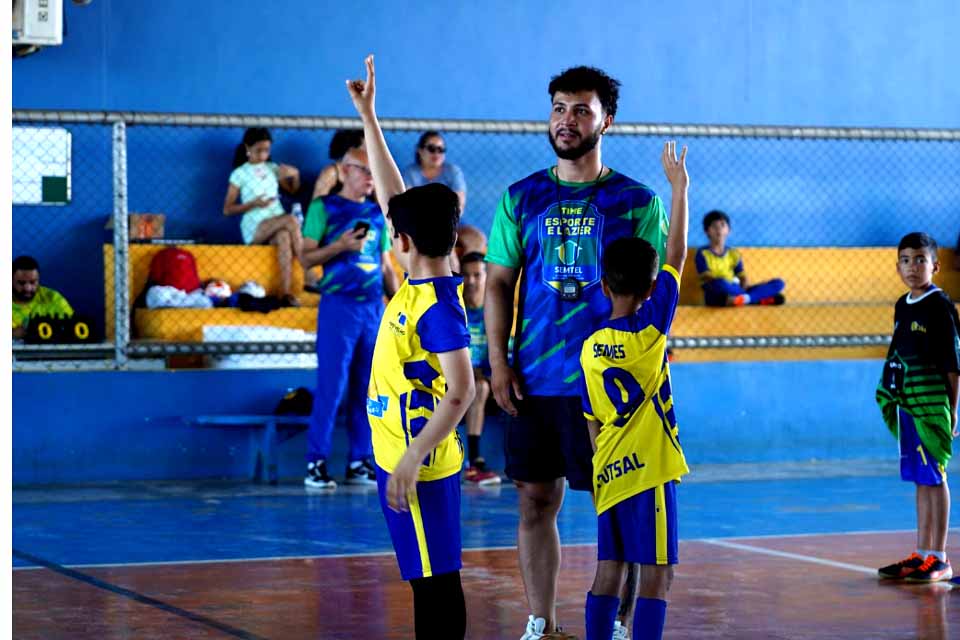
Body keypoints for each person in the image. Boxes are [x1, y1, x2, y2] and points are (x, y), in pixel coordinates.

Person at [484, 65, 670, 639]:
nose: (567, 120)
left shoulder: (637, 202)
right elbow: (496, 284)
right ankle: (541, 623)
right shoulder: (520, 199)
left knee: (621, 510)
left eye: (581, 110)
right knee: (535, 500)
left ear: (606, 120)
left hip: (607, 388)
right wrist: (497, 361)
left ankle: (618, 623)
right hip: (535, 380)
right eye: (560, 108)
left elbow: (657, 294)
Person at [349, 54, 475, 639]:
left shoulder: (438, 309)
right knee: (428, 579)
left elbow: (462, 391)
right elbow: (395, 197)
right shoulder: (419, 279)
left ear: (399, 241)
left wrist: (413, 456)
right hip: (399, 454)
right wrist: (370, 117)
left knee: (437, 585)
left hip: (416, 462)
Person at [579, 142, 690, 640]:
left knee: (611, 569)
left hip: (609, 468)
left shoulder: (589, 347)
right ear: (650, 292)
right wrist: (679, 187)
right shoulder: (651, 335)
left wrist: (603, 463)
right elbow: (677, 255)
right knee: (657, 575)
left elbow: (591, 419)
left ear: (603, 286)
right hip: (649, 471)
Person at [299, 145, 400, 490]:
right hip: (338, 305)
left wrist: (401, 302)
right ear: (344, 171)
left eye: (375, 172)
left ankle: (360, 458)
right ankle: (316, 461)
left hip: (373, 307)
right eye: (364, 170)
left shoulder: (376, 214)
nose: (371, 178)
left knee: (366, 387)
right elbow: (304, 258)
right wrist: (339, 246)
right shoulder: (323, 208)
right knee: (332, 385)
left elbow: (386, 265)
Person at [875, 232, 959, 584]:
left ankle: (940, 557)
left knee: (935, 477)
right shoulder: (900, 304)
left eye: (920, 260)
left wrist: (954, 411)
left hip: (932, 405)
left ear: (935, 266)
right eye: (906, 260)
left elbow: (954, 366)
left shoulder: (941, 306)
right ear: (898, 267)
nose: (912, 267)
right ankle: (922, 553)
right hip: (908, 405)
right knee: (920, 480)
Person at [222, 127, 303, 306]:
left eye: (267, 150)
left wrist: (294, 176)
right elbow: (227, 209)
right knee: (291, 220)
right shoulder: (239, 173)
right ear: (247, 148)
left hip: (276, 220)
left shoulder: (273, 168)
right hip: (255, 226)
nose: (263, 154)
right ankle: (309, 270)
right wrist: (254, 204)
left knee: (284, 237)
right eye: (259, 150)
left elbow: (292, 191)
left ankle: (285, 293)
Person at [460, 251, 501, 486]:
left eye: (477, 275)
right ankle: (474, 462)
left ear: (487, 276)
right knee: (478, 387)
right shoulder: (455, 309)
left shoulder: (496, 310)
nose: (472, 281)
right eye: (466, 276)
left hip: (491, 378)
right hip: (456, 382)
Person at [695, 210, 785, 306]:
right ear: (706, 231)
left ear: (728, 230)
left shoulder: (733, 253)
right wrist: (727, 285)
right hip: (717, 291)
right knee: (719, 284)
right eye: (714, 226)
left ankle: (743, 299)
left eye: (722, 225)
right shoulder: (702, 253)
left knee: (779, 283)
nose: (719, 229)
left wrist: (744, 284)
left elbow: (741, 275)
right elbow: (707, 278)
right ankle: (753, 299)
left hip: (736, 289)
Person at [401, 131, 467, 214]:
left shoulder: (453, 171)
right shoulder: (410, 173)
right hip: (418, 222)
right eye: (431, 149)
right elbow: (407, 205)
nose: (436, 153)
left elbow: (459, 204)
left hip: (449, 221)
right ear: (420, 150)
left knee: (470, 228)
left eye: (441, 149)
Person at [12, 255, 73, 340]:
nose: (28, 288)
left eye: (33, 282)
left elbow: (73, 325)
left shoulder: (52, 297)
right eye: (21, 283)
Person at [312, 129, 365, 199]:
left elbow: (382, 203)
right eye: (363, 148)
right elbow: (315, 207)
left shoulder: (370, 173)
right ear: (350, 150)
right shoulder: (331, 173)